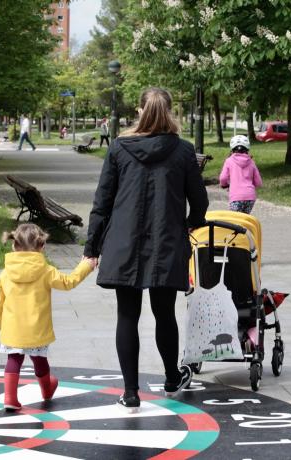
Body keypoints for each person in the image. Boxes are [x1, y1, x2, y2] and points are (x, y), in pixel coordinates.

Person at [84, 87, 209, 413]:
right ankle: (171, 378)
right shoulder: (184, 151)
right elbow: (200, 200)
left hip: (123, 244)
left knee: (127, 315)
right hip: (166, 242)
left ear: (140, 111)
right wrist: (193, 224)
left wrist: (91, 247)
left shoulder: (119, 148)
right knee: (164, 313)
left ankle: (130, 393)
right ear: (170, 111)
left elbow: (102, 202)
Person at [0, 223, 95, 411]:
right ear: (42, 246)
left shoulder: (5, 273)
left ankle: (10, 397)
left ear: (14, 245)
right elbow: (68, 282)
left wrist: (2, 326)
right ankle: (47, 389)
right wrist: (85, 266)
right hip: (37, 329)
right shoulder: (46, 271)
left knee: (13, 359)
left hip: (12, 329)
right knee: (40, 360)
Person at [219, 135, 262, 214]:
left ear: (232, 149)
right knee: (245, 220)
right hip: (250, 197)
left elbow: (223, 178)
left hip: (236, 197)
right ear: (247, 149)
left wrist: (224, 184)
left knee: (236, 222)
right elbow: (258, 182)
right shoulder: (251, 162)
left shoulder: (229, 161)